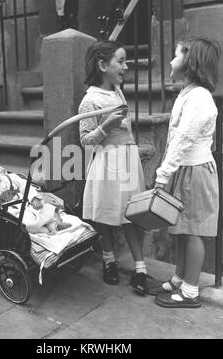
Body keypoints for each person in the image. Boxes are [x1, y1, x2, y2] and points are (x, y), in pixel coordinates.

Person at [151, 36, 221, 308]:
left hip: (195, 172)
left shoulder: (200, 98)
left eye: (177, 55)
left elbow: (182, 140)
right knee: (181, 229)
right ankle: (180, 279)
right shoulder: (188, 94)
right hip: (186, 170)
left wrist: (162, 174)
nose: (171, 60)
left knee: (193, 231)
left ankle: (190, 292)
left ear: (191, 63)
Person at [78, 40, 147, 294]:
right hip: (107, 161)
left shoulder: (117, 89)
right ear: (102, 65)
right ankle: (109, 261)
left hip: (128, 160)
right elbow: (85, 140)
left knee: (131, 213)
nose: (126, 66)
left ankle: (140, 268)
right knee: (105, 214)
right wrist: (105, 126)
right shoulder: (90, 100)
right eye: (121, 61)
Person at [0, 161, 71, 235]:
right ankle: (48, 230)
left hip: (28, 203)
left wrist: (33, 198)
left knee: (47, 206)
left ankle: (55, 222)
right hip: (14, 212)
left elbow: (24, 184)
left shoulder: (9, 178)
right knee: (26, 223)